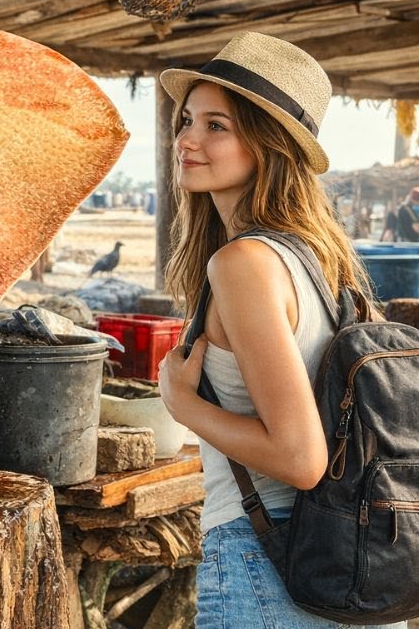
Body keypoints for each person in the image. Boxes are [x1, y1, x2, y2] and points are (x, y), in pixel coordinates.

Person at [155, 32, 402, 628]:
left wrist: (180, 402)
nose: (188, 138)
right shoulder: (321, 261)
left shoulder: (242, 265)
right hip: (345, 560)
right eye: (188, 119)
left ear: (268, 145)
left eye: (218, 125)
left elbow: (299, 457)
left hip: (268, 561)